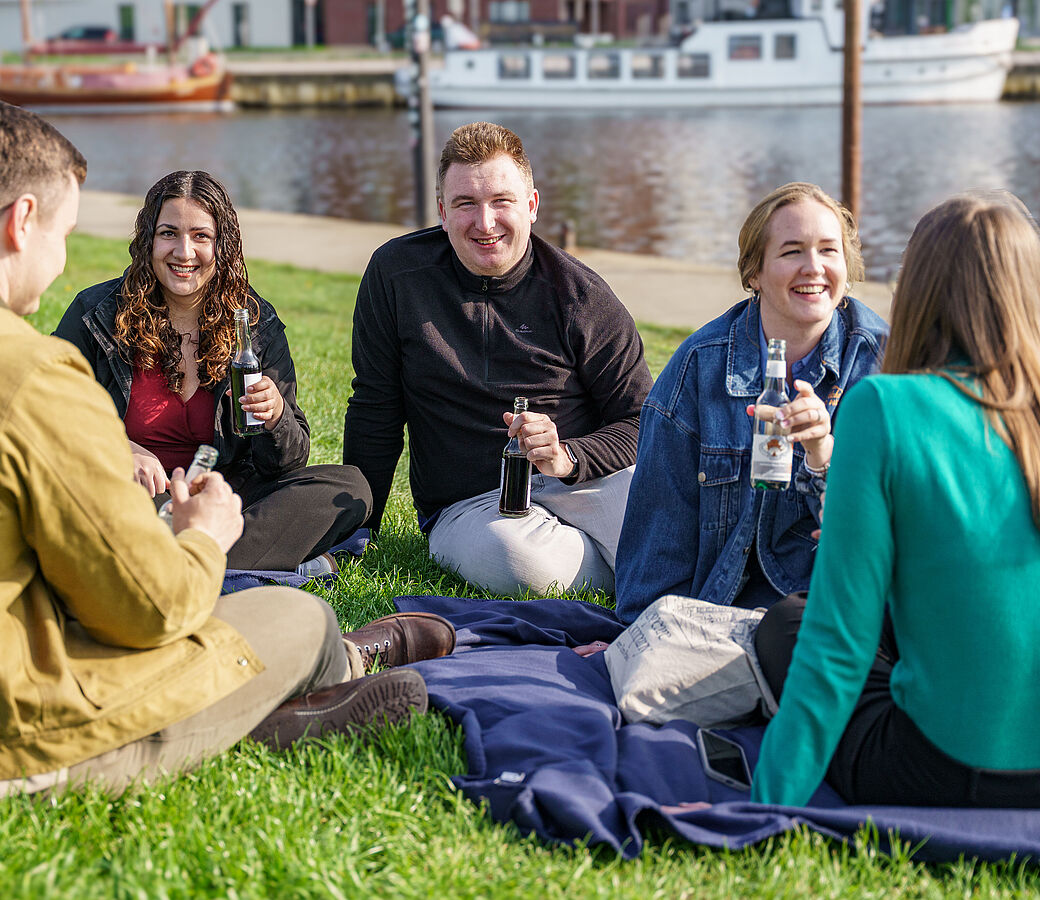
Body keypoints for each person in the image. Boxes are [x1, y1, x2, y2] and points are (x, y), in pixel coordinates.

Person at [0, 99, 454, 798]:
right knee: (302, 619)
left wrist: (274, 418)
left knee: (336, 490)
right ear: (22, 222)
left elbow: (285, 457)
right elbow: (145, 611)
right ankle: (314, 675)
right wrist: (201, 542)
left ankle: (274, 694)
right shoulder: (34, 369)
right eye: (65, 232)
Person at [751, 191, 1040, 807]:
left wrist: (764, 807)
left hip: (949, 771)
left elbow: (837, 643)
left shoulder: (884, 407)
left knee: (789, 625)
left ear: (917, 292)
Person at [344, 121, 654, 596]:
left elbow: (642, 422)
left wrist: (568, 456)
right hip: (472, 504)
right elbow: (375, 408)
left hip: (581, 479)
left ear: (531, 206)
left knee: (671, 511)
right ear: (442, 212)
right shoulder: (397, 276)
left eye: (501, 202)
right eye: (466, 204)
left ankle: (628, 554)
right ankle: (636, 563)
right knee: (518, 561)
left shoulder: (582, 295)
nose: (484, 223)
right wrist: (358, 530)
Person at [54, 170, 371, 577]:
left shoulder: (255, 324)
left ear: (222, 246)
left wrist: (275, 418)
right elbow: (47, 404)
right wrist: (117, 446)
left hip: (223, 496)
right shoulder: (97, 313)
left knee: (349, 489)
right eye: (169, 233)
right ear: (148, 239)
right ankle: (260, 563)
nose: (184, 252)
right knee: (91, 509)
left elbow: (286, 465)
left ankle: (176, 563)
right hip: (134, 496)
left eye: (201, 236)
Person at [615, 182, 888, 623]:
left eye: (828, 250)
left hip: (839, 614)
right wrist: (641, 635)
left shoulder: (883, 365)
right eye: (792, 251)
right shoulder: (698, 368)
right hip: (721, 612)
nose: (814, 268)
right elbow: (660, 532)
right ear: (754, 273)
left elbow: (892, 530)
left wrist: (824, 455)